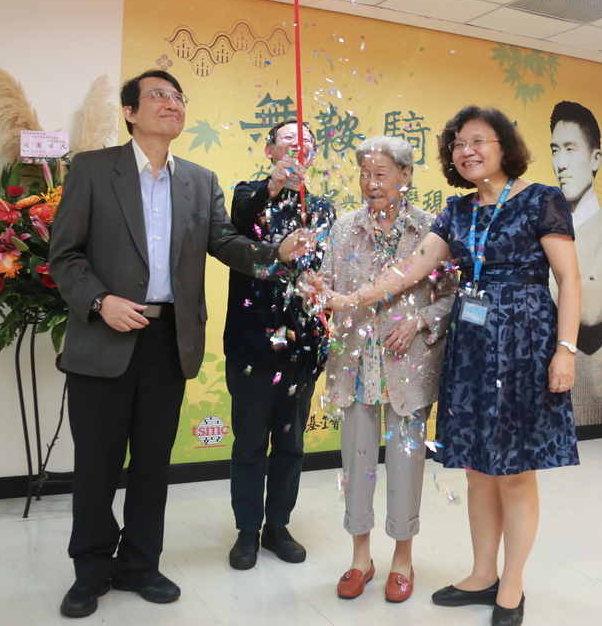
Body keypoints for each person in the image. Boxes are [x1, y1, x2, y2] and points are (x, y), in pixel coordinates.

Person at [48, 69, 311, 619]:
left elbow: (226, 242)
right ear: (130, 112)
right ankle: (90, 571)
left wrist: (275, 255)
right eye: (158, 96)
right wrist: (101, 302)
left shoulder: (198, 179)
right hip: (105, 334)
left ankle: (140, 564)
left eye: (177, 97)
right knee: (96, 464)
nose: (171, 104)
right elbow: (65, 256)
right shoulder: (94, 171)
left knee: (151, 462)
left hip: (170, 339)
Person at [323, 106, 582, 626]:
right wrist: (353, 297)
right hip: (472, 343)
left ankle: (512, 585)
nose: (467, 151)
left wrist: (565, 349)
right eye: (459, 143)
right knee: (477, 470)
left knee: (514, 472)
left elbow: (570, 280)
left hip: (525, 341)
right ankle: (482, 573)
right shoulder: (456, 212)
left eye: (478, 141)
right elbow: (411, 268)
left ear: (504, 147)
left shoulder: (540, 200)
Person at [322, 135, 453, 603]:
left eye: (380, 174)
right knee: (356, 464)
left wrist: (420, 319)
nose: (370, 184)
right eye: (364, 174)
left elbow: (450, 297)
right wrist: (312, 289)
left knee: (405, 464)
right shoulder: (342, 228)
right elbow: (325, 289)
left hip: (407, 365)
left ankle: (402, 558)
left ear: (405, 176)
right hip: (355, 364)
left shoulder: (431, 230)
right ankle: (361, 558)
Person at [224, 119, 335, 570]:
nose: (298, 147)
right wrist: (271, 188)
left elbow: (322, 266)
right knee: (250, 441)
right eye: (289, 140)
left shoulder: (323, 208)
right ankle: (247, 530)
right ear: (270, 150)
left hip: (302, 345)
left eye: (307, 142)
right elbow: (239, 227)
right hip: (252, 342)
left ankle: (278, 526)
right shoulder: (246, 194)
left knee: (290, 444)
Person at [548, 101, 602, 426]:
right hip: (541, 396)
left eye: (571, 149)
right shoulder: (548, 228)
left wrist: (530, 277)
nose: (561, 163)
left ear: (595, 158)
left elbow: (591, 310)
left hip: (588, 407)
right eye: (555, 150)